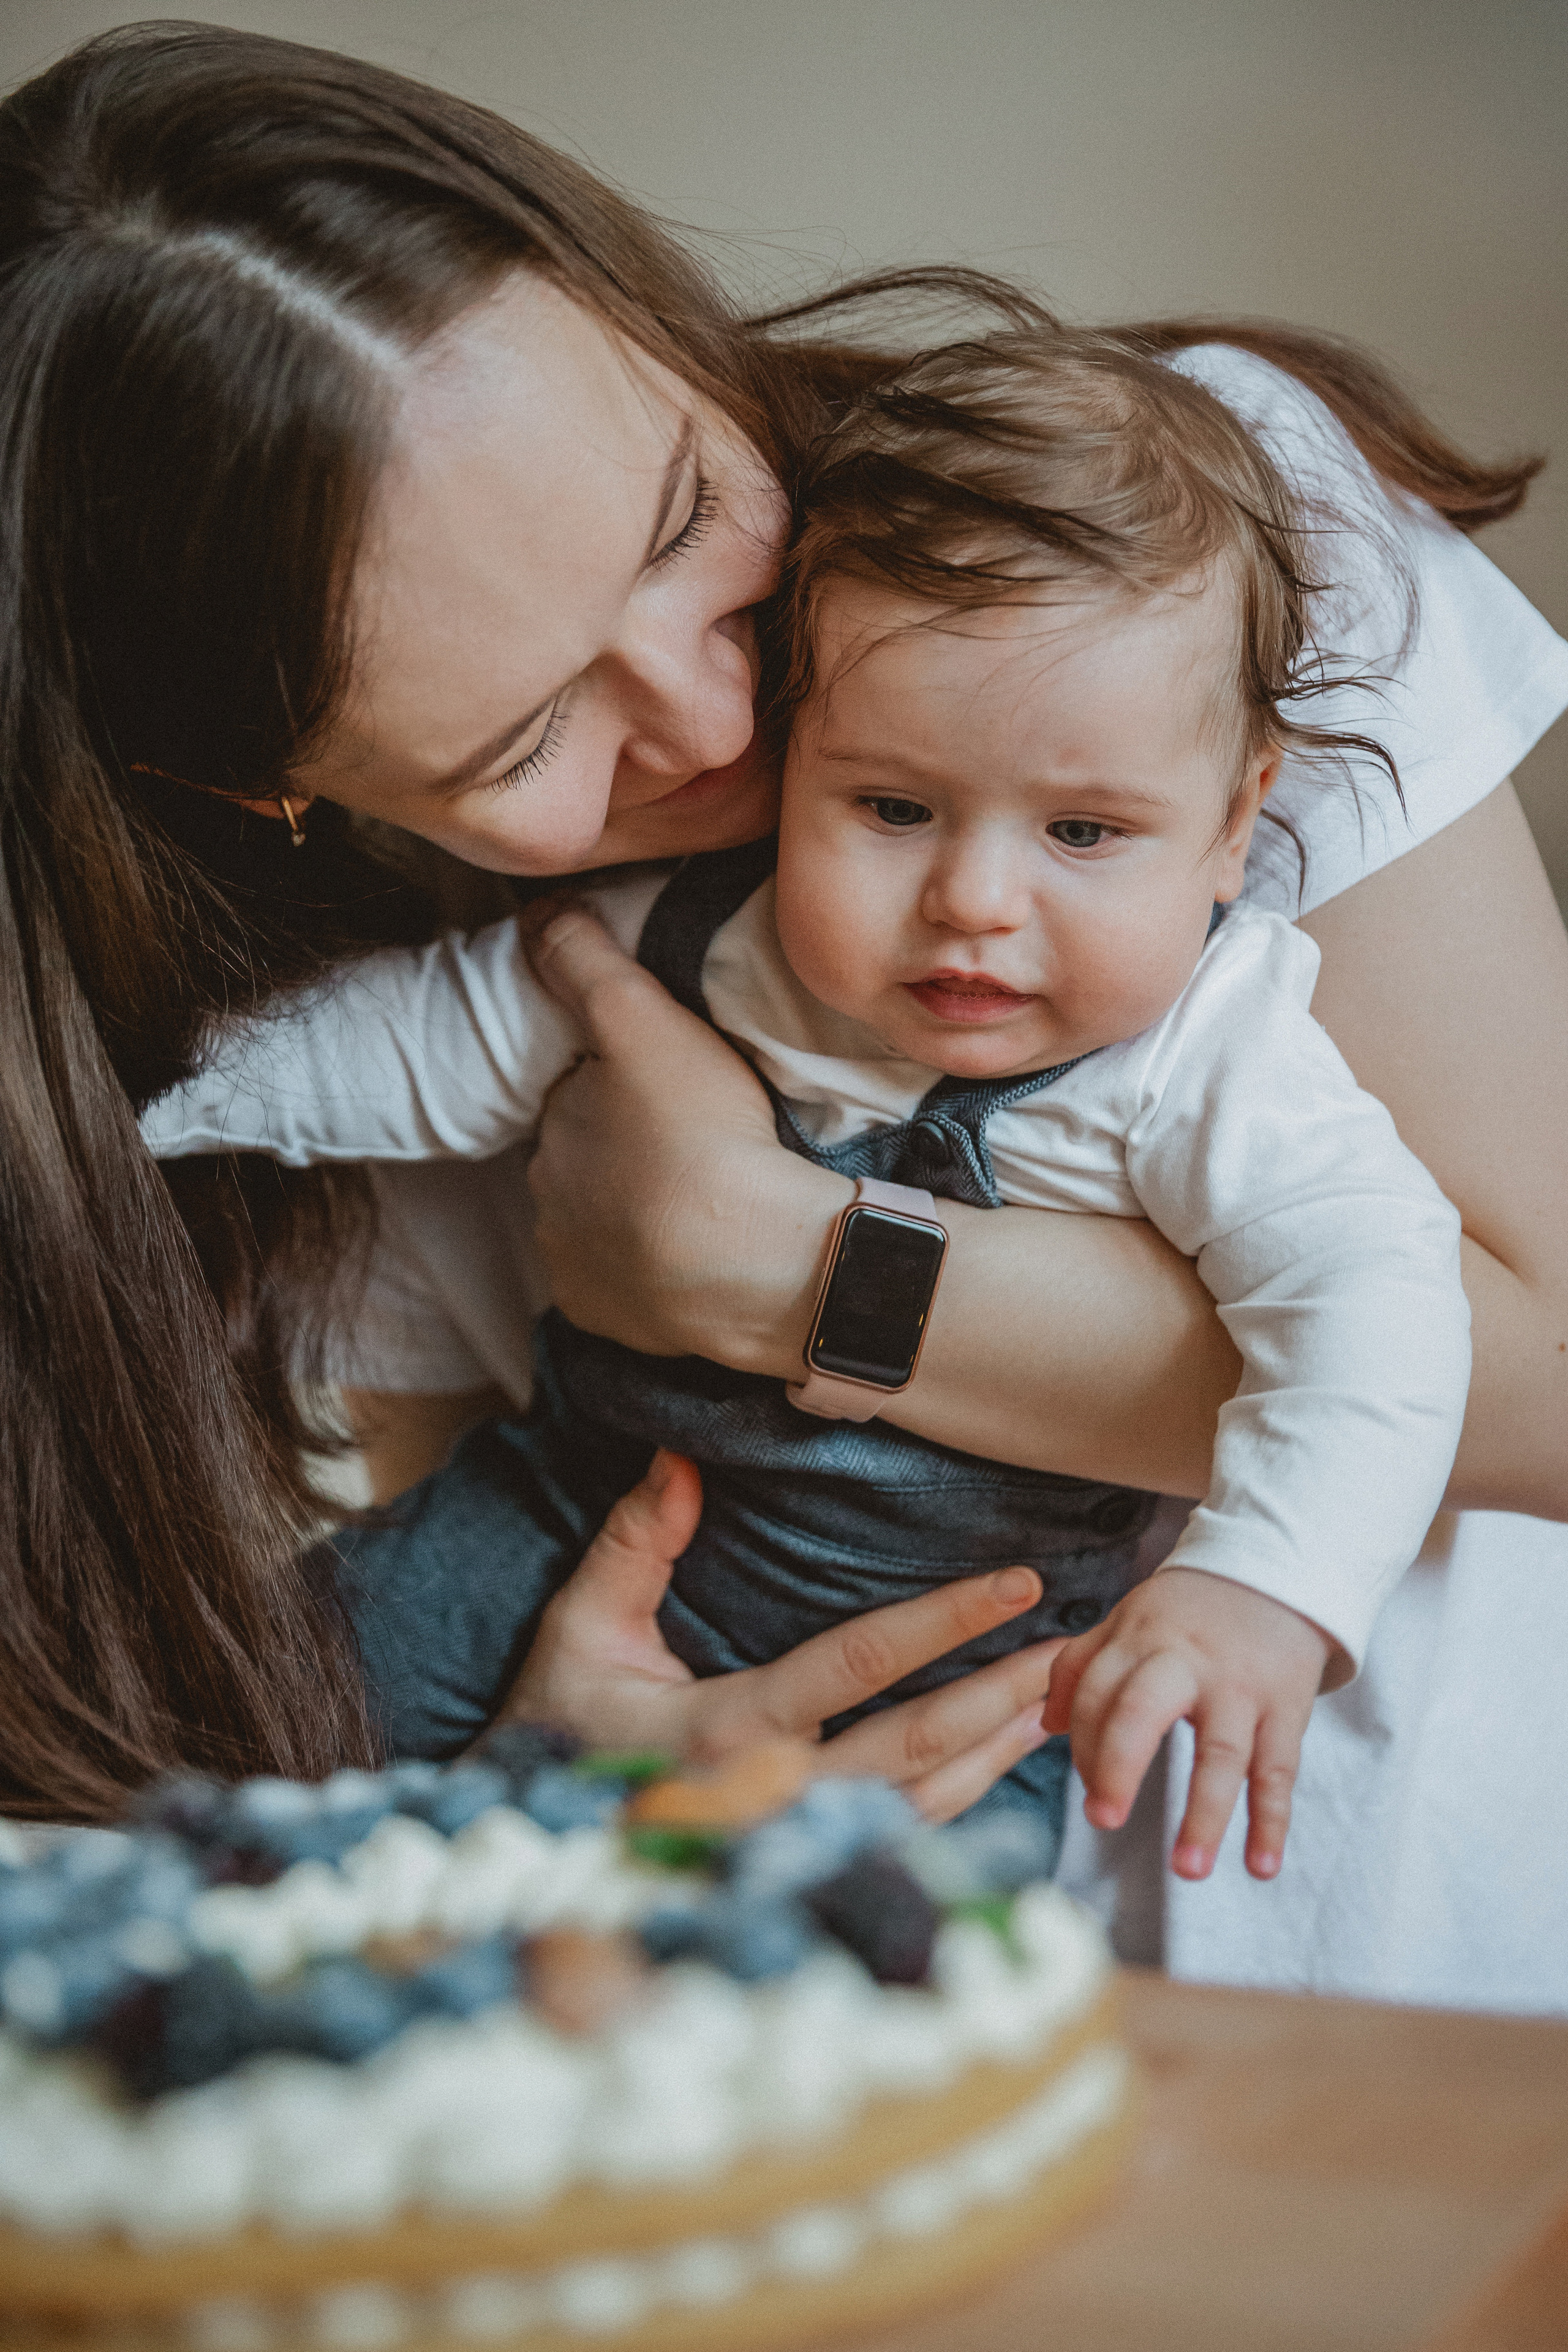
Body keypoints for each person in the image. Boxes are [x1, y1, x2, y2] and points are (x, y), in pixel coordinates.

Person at [2, 28, 1564, 2014]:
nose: (724, 716)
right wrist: (552, 1784)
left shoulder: (1181, 563)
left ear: (645, 310)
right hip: (855, 2017)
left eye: (679, 522)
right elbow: (516, 1630)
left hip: (1415, 1957)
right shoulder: (382, 1027)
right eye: (530, 732)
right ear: (273, 793)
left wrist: (789, 1272)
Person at [146, 327, 1472, 1889]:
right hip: (556, 1531)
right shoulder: (698, 934)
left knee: (898, 1958)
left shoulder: (1213, 1054)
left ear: (1236, 822)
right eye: (891, 808)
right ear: (794, 766)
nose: (975, 901)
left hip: (955, 1678)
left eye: (1085, 831)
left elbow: (1376, 1300)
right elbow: (410, 1043)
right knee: (245, 1730)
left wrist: (1270, 1580)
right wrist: (142, 1108)